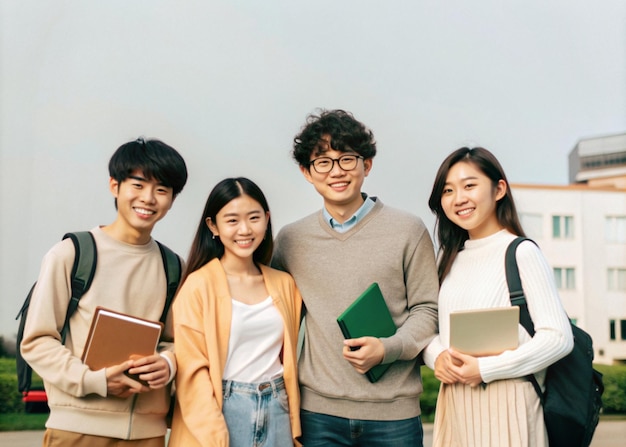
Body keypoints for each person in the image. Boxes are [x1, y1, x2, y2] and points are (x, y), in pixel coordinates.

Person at [271, 109, 439, 446]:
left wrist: (387, 349)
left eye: (347, 159)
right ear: (307, 172)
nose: (337, 171)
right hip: (318, 415)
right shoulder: (290, 241)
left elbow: (428, 311)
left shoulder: (408, 230)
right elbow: (272, 315)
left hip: (395, 417)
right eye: (323, 162)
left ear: (367, 165)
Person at [20, 137, 188, 446]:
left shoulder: (175, 267)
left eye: (161, 190)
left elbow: (181, 342)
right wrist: (94, 380)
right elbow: (37, 341)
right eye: (137, 185)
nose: (148, 198)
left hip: (148, 435)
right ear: (115, 186)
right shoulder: (72, 254)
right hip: (77, 430)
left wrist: (167, 363)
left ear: (172, 199)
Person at [423, 147, 574, 446]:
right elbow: (434, 332)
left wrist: (484, 369)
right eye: (448, 190)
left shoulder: (521, 252)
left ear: (499, 189)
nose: (458, 199)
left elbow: (558, 337)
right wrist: (435, 356)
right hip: (455, 403)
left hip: (509, 403)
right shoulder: (449, 260)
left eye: (469, 185)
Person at [168, 177, 302, 447]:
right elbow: (192, 370)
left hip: (277, 406)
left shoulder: (284, 283)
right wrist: (214, 433)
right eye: (232, 220)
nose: (244, 229)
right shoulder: (198, 285)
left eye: (254, 218)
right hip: (223, 407)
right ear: (213, 226)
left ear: (266, 219)